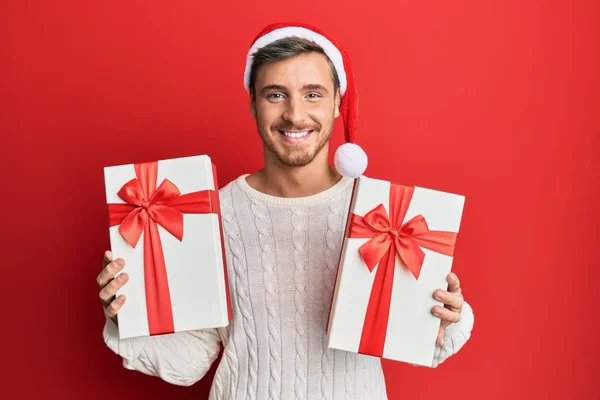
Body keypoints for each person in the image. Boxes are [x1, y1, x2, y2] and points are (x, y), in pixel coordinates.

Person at [97, 23, 475, 400]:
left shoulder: (387, 219)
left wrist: (445, 316)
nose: (295, 115)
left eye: (313, 94)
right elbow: (189, 362)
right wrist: (125, 316)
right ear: (252, 103)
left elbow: (423, 341)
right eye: (276, 94)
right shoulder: (206, 217)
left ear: (337, 102)